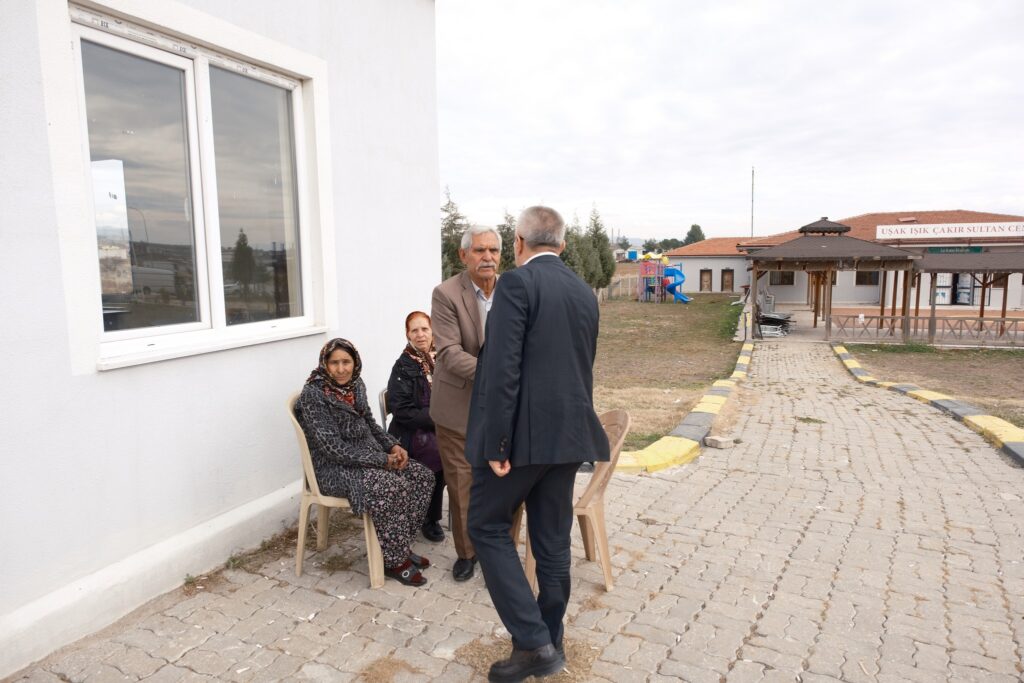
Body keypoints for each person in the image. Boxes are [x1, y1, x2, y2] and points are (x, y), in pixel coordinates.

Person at [466, 206, 610, 682]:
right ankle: (551, 637)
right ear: (563, 245)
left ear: (518, 243)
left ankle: (533, 643)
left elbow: (504, 368)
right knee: (551, 543)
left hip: (522, 441)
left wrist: (497, 443)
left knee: (485, 526)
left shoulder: (516, 283)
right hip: (569, 438)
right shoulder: (584, 291)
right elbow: (580, 366)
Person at [296, 338, 435, 587]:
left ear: (355, 363)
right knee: (392, 486)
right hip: (333, 469)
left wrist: (393, 445)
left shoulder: (355, 384)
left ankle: (398, 546)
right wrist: (383, 460)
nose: (341, 369)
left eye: (346, 362)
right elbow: (333, 449)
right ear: (324, 364)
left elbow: (370, 423)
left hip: (366, 457)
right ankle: (394, 562)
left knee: (423, 477)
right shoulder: (313, 396)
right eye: (334, 363)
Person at [430, 225, 502, 581]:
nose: (487, 257)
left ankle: (497, 550)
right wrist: (501, 377)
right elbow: (449, 353)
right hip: (457, 404)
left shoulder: (512, 290)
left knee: (500, 480)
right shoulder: (446, 294)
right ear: (463, 255)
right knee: (462, 482)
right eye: (479, 250)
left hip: (502, 406)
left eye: (493, 250)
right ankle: (467, 553)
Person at [386, 311, 446, 543]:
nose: (421, 335)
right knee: (436, 452)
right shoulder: (403, 366)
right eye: (415, 330)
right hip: (412, 431)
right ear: (407, 334)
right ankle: (429, 518)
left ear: (432, 331)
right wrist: (438, 419)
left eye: (425, 329)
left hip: (442, 425)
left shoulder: (442, 357)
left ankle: (468, 513)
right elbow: (401, 409)